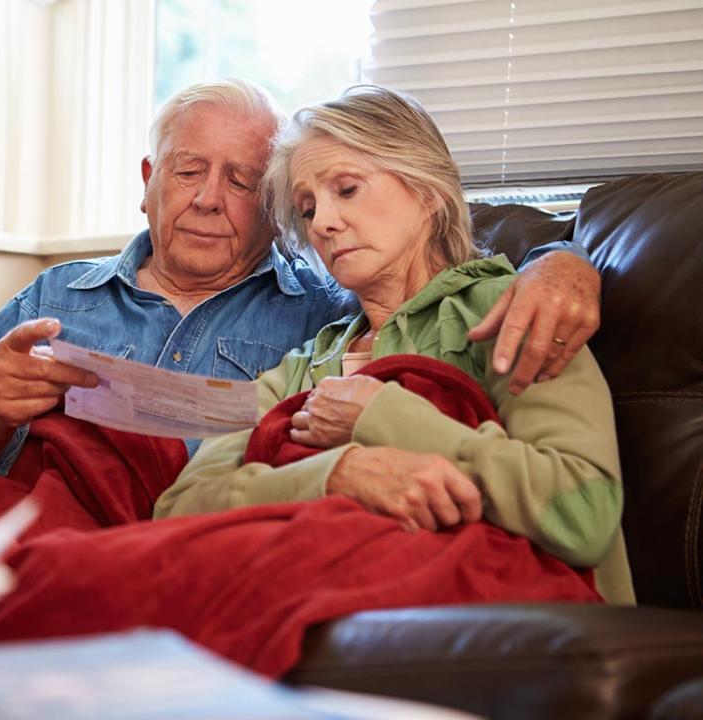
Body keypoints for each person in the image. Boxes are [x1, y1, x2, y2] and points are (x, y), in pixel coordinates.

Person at [0, 79, 602, 498]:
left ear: (270, 210)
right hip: (13, 524)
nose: (207, 199)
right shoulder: (55, 298)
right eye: (188, 170)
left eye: (240, 182)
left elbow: (438, 282)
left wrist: (564, 259)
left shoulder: (323, 312)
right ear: (148, 182)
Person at [153, 85, 634, 606]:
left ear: (426, 190)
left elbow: (584, 513)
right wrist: (334, 475)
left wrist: (384, 417)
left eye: (348, 189)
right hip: (336, 611)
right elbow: (181, 508)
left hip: (512, 627)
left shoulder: (507, 312)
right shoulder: (305, 365)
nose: (325, 223)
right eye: (308, 208)